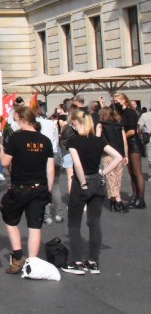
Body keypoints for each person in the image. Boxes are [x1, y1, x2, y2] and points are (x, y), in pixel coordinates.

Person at [61, 109, 123, 275]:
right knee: (94, 223)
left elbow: (78, 165)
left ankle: (77, 262)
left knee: (74, 223)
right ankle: (93, 262)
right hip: (98, 180)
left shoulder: (73, 142)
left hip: (82, 182)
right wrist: (104, 172)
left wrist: (82, 182)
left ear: (74, 123)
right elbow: (118, 156)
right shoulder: (98, 140)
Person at [0, 105, 54, 274]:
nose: (15, 123)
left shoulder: (16, 138)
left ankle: (17, 257)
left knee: (10, 220)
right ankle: (33, 262)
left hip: (20, 187)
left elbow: (4, 163)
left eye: (16, 120)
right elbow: (50, 169)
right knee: (35, 226)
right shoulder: (45, 140)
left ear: (22, 119)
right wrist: (48, 191)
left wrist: (1, 147)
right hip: (39, 187)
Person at [113, 92, 144, 209]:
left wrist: (121, 138)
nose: (116, 103)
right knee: (131, 173)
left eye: (118, 101)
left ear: (124, 100)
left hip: (133, 143)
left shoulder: (130, 112)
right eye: (115, 101)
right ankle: (135, 196)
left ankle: (141, 199)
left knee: (137, 172)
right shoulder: (122, 113)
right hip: (128, 144)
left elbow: (132, 131)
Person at [96, 106, 128, 212]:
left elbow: (97, 140)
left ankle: (116, 201)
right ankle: (115, 200)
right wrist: (126, 155)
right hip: (120, 153)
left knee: (111, 178)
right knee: (117, 178)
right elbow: (124, 141)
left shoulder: (100, 125)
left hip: (108, 154)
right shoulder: (120, 126)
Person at [36, 106, 63, 225]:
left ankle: (46, 216)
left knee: (43, 185)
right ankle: (58, 214)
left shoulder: (34, 125)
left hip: (41, 156)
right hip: (54, 154)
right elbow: (56, 140)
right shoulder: (51, 123)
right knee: (55, 185)